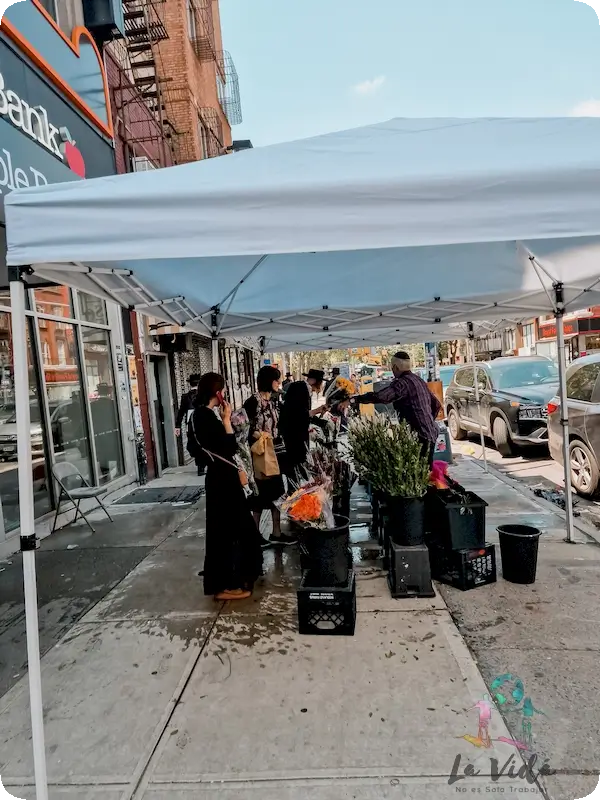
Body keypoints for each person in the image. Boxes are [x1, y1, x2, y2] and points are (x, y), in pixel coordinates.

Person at [191, 372, 263, 600]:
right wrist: (226, 421)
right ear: (218, 393)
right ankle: (228, 583)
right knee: (233, 530)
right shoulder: (206, 417)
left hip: (219, 479)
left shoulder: (199, 416)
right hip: (223, 481)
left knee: (230, 529)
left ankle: (231, 578)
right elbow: (228, 447)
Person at [356, 351, 441, 465]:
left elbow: (382, 397)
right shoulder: (418, 380)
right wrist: (428, 421)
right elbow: (436, 404)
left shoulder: (402, 383)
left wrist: (356, 399)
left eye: (392, 367)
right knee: (426, 472)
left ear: (395, 367)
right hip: (430, 433)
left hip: (419, 436)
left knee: (419, 474)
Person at [243, 366, 295, 547]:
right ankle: (254, 535)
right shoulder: (252, 403)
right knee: (259, 494)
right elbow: (242, 428)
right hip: (260, 455)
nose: (279, 383)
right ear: (268, 381)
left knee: (278, 493)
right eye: (276, 380)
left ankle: (276, 532)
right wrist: (256, 435)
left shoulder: (274, 401)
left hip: (275, 453)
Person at [279, 368, 327, 483]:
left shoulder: (303, 388)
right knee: (297, 461)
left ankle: (299, 484)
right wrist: (317, 410)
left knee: (300, 460)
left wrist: (321, 419)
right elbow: (298, 413)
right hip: (293, 433)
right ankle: (296, 487)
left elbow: (304, 413)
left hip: (297, 432)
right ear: (316, 381)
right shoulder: (300, 388)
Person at [175, 374, 205, 476]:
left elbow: (180, 413)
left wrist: (177, 426)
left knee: (195, 443)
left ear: (190, 384)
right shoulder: (204, 395)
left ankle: (199, 465)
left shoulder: (185, 397)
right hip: (203, 423)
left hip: (190, 425)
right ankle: (202, 464)